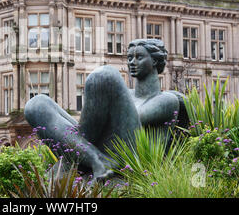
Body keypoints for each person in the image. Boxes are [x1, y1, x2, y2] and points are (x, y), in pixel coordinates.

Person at [24, 39, 182, 180]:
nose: (132, 62)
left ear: (155, 61)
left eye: (139, 57)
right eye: (129, 58)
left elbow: (127, 121)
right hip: (96, 146)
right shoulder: (124, 94)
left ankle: (83, 155)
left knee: (105, 75)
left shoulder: (167, 100)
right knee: (37, 105)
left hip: (130, 156)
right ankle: (97, 160)